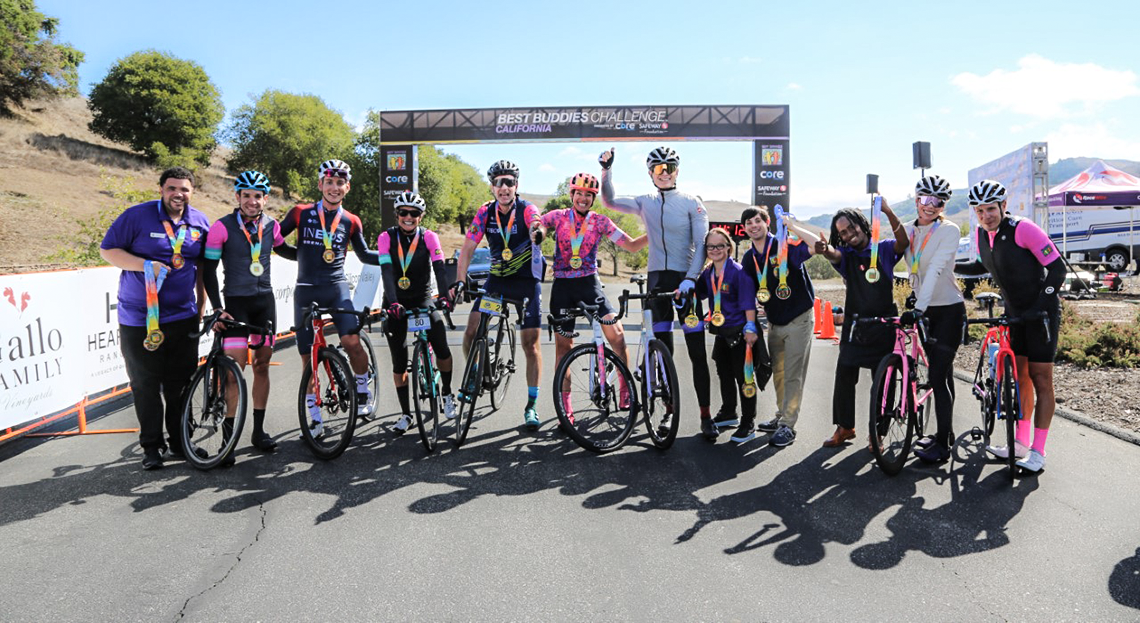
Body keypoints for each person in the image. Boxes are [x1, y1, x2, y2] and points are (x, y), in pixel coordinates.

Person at [99, 167, 212, 470]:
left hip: (182, 316)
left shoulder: (200, 222)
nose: (178, 194)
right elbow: (108, 251)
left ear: (192, 192)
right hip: (139, 319)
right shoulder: (137, 216)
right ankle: (152, 446)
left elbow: (201, 268)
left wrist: (201, 306)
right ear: (161, 189)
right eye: (172, 188)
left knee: (181, 384)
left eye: (185, 189)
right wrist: (144, 264)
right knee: (145, 383)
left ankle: (181, 443)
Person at [598, 146, 712, 435]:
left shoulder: (691, 202)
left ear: (678, 171)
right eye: (659, 169)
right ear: (650, 173)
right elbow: (609, 200)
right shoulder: (644, 201)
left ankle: (705, 414)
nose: (665, 173)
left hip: (686, 282)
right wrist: (607, 169)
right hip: (657, 281)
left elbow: (702, 245)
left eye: (670, 167)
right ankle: (668, 410)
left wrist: (691, 279)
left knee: (697, 351)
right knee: (663, 350)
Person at [278, 159, 380, 434]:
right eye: (329, 182)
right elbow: (276, 240)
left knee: (351, 340)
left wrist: (392, 255)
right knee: (308, 359)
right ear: (321, 184)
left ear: (347, 187)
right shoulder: (300, 213)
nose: (334, 188)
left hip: (336, 288)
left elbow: (364, 255)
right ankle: (314, 415)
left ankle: (362, 389)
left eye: (340, 183)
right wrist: (298, 254)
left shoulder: (351, 220)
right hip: (306, 289)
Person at [971, 179, 1064, 474]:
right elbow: (984, 267)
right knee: (1021, 376)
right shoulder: (981, 236)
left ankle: (1038, 451)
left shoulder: (1023, 229)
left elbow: (1057, 268)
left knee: (1041, 379)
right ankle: (1020, 444)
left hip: (1041, 315)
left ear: (1003, 206)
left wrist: (1041, 304)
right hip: (1015, 315)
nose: (986, 215)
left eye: (991, 209)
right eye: (980, 211)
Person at [201, 171, 293, 465]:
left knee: (262, 365)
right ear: (237, 197)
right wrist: (217, 308)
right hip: (235, 305)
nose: (252, 201)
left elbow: (284, 249)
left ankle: (259, 431)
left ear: (265, 199)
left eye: (258, 196)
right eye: (246, 195)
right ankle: (228, 441)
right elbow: (208, 270)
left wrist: (315, 253)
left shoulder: (272, 225)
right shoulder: (221, 227)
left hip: (264, 303)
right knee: (233, 371)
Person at [541, 172, 647, 421]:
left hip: (589, 285)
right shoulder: (557, 216)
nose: (583, 198)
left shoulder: (600, 221)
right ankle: (565, 407)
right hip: (563, 287)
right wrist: (537, 230)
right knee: (564, 349)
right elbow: (539, 223)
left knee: (618, 337)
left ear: (593, 198)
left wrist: (657, 232)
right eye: (579, 193)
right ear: (572, 195)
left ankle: (624, 392)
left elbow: (631, 245)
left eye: (589, 195)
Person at [450, 160, 546, 430]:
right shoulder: (485, 212)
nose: (504, 187)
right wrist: (459, 281)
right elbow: (468, 247)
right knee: (471, 330)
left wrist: (537, 234)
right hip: (498, 282)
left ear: (517, 185)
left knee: (531, 345)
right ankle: (474, 373)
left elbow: (536, 225)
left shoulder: (527, 209)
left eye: (509, 182)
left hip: (526, 282)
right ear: (492, 186)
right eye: (499, 182)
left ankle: (531, 405)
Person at [815, 199, 909, 448]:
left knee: (884, 383)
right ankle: (845, 427)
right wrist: (825, 249)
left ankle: (877, 434)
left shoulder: (886, 249)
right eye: (842, 233)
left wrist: (888, 212)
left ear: (862, 224)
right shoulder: (846, 255)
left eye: (850, 228)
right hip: (855, 326)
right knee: (844, 375)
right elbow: (833, 254)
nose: (848, 235)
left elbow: (904, 243)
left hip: (884, 325)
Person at [376, 191, 456, 435]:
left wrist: (444, 295)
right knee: (399, 363)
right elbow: (387, 272)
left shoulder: (429, 237)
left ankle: (446, 392)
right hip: (395, 301)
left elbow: (440, 269)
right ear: (397, 214)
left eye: (414, 213)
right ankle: (406, 414)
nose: (408, 217)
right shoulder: (385, 237)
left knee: (441, 344)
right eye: (403, 212)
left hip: (422, 298)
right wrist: (392, 302)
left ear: (421, 216)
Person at [741, 205, 820, 448]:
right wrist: (750, 325)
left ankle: (788, 425)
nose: (754, 226)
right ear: (744, 229)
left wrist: (792, 226)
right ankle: (781, 415)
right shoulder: (749, 257)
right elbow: (746, 293)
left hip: (799, 317)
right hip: (774, 321)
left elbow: (817, 246)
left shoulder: (784, 244)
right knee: (779, 372)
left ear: (767, 223)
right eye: (749, 223)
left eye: (758, 221)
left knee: (793, 374)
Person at [903, 175, 966, 464]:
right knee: (944, 373)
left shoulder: (949, 231)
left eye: (938, 202)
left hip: (949, 310)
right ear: (916, 199)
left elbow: (936, 271)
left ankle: (942, 446)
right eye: (925, 199)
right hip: (925, 309)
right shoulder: (906, 231)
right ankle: (947, 434)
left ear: (943, 205)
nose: (930, 206)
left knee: (938, 376)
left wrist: (919, 308)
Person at [694, 228, 770, 443]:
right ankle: (729, 412)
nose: (715, 250)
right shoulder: (708, 273)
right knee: (724, 373)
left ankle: (748, 423)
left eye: (720, 245)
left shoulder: (738, 272)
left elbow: (748, 303)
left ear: (728, 246)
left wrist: (750, 328)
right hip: (721, 333)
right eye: (711, 246)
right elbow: (697, 293)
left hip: (741, 332)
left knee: (744, 377)